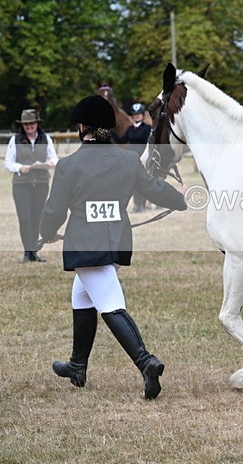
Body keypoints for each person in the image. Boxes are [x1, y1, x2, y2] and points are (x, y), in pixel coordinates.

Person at [39, 95, 188, 400]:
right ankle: (77, 366)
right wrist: (180, 198)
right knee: (82, 296)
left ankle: (146, 362)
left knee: (109, 304)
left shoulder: (69, 166)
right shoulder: (127, 160)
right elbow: (154, 190)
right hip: (116, 241)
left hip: (86, 244)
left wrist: (46, 233)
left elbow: (55, 209)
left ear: (83, 127)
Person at [4, 109, 59, 262]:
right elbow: (8, 162)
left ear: (37, 123)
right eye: (26, 124)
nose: (29, 126)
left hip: (41, 184)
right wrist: (20, 168)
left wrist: (49, 163)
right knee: (25, 218)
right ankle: (27, 252)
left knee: (37, 218)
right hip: (21, 184)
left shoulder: (45, 138)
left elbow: (55, 159)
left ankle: (34, 251)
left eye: (32, 123)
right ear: (23, 125)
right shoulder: (15, 140)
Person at [118, 103, 152, 213]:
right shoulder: (130, 129)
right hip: (132, 159)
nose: (137, 116)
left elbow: (148, 144)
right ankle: (136, 205)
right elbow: (121, 141)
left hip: (143, 157)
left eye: (139, 114)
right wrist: (111, 133)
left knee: (142, 182)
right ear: (132, 116)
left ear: (142, 115)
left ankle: (142, 205)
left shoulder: (147, 128)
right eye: (135, 114)